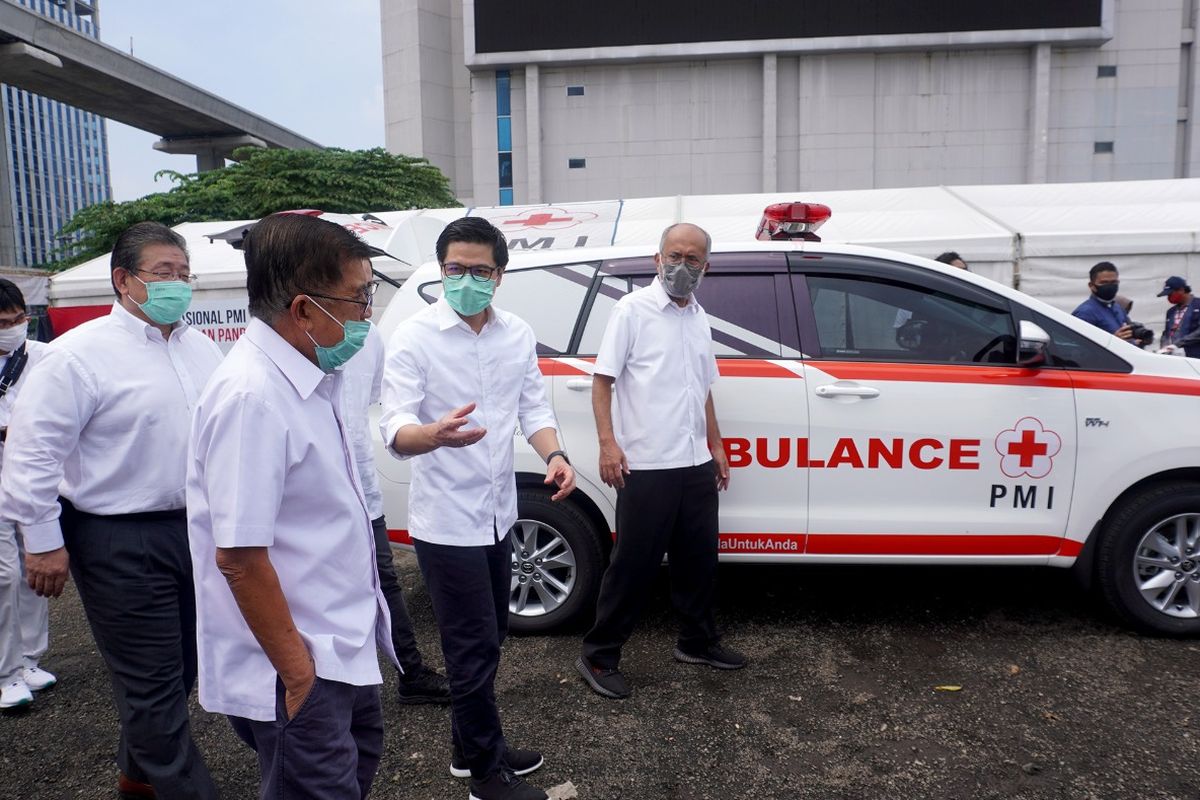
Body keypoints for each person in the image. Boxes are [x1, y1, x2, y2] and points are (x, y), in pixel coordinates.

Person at [0, 223, 221, 798]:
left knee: (181, 672)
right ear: (124, 281)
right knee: (151, 683)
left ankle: (136, 780)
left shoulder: (200, 347)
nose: (178, 284)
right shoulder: (79, 356)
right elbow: (33, 454)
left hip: (193, 530)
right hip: (116, 538)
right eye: (163, 273)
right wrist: (42, 540)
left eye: (183, 273)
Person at [188, 214, 398, 799]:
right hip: (298, 663)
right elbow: (239, 557)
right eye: (358, 299)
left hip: (338, 647)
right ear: (304, 309)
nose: (366, 315)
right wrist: (299, 675)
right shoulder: (253, 397)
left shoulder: (308, 377)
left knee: (351, 775)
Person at [380, 216, 574, 800]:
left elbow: (533, 409)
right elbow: (394, 427)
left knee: (489, 639)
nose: (466, 279)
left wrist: (557, 454)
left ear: (500, 275)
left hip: (499, 514)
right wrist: (431, 435)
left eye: (479, 270)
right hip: (447, 522)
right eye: (454, 269)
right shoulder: (415, 336)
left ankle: (470, 749)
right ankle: (487, 779)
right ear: (442, 272)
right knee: (469, 648)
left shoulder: (515, 332)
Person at [577, 222, 745, 702]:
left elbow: (703, 387)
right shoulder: (631, 310)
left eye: (693, 259)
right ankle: (599, 654)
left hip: (693, 461)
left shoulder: (699, 316)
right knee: (634, 564)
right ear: (657, 259)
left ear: (705, 268)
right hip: (645, 463)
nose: (682, 266)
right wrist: (608, 444)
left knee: (698, 560)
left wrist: (715, 445)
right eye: (675, 255)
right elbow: (603, 381)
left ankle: (696, 642)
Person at [343, 320, 450, 704]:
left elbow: (380, 402)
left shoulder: (366, 335)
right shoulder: (296, 336)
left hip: (362, 488)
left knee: (385, 582)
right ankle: (334, 684)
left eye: (368, 290)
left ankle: (410, 672)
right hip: (316, 499)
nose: (364, 304)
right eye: (355, 290)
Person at [0, 280, 54, 710]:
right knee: (3, 577)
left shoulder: (44, 357)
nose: (15, 328)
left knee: (32, 574)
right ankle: (5, 672)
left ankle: (29, 659)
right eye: (4, 323)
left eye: (20, 319)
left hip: (31, 480)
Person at [1072, 261, 1135, 340]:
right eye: (1104, 283)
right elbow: (1080, 345)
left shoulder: (1117, 307)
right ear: (1091, 286)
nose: (1110, 286)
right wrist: (1114, 341)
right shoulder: (1085, 312)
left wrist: (1139, 341)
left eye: (1114, 282)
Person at [1156, 276, 1200, 358]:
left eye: (1170, 294)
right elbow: (1166, 333)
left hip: (1195, 358)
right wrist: (1164, 347)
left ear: (1181, 290)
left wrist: (1178, 344)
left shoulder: (1197, 306)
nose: (1168, 298)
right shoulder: (1170, 312)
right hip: (1175, 358)